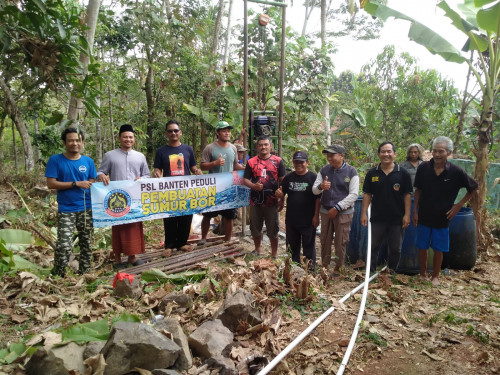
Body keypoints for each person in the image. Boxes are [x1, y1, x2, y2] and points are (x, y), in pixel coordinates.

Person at [413, 136, 478, 285]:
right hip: (424, 214)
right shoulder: (423, 168)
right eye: (434, 151)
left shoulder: (456, 171)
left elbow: (473, 188)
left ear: (448, 152)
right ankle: (423, 273)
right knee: (422, 246)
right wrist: (415, 211)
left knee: (438, 248)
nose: (436, 154)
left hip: (443, 217)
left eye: (440, 151)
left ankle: (435, 276)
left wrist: (458, 205)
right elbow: (418, 190)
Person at [97, 124, 150, 268]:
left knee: (134, 226)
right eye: (125, 137)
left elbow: (147, 175)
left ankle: (132, 257)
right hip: (117, 198)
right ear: (120, 138)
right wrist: (101, 175)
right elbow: (100, 172)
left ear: (134, 139)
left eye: (130, 137)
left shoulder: (140, 156)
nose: (128, 139)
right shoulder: (110, 155)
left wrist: (142, 179)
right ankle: (118, 259)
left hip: (134, 198)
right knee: (118, 227)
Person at [45, 128, 97, 277]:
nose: (75, 143)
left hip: (86, 208)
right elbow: (51, 184)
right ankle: (58, 275)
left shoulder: (88, 161)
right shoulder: (55, 160)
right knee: (63, 245)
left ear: (82, 142)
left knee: (86, 244)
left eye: (77, 140)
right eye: (71, 140)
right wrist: (75, 184)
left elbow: (91, 181)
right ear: (64, 142)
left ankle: (85, 273)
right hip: (66, 209)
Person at [361, 142, 412, 273]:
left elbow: (407, 195)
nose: (386, 154)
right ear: (379, 154)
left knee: (396, 249)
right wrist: (364, 213)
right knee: (373, 246)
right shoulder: (372, 173)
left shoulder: (403, 173)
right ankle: (370, 271)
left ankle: (391, 272)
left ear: (394, 154)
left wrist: (407, 215)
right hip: (377, 217)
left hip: (397, 218)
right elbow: (367, 194)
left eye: (389, 151)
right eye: (383, 152)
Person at [153, 120, 202, 251]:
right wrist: (157, 173)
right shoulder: (161, 151)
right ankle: (169, 245)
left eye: (175, 131)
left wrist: (197, 171)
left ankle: (182, 243)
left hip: (186, 190)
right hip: (169, 191)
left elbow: (193, 167)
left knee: (186, 216)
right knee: (170, 217)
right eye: (170, 131)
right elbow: (157, 168)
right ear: (166, 134)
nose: (173, 133)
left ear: (180, 132)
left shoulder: (188, 149)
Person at [312, 144, 358, 276]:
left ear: (341, 156)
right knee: (325, 239)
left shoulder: (351, 172)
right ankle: (325, 266)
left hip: (343, 213)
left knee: (341, 241)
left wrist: (338, 207)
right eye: (328, 155)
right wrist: (321, 186)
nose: (329, 158)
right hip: (326, 211)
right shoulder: (324, 170)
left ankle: (338, 267)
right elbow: (314, 190)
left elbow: (353, 194)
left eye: (332, 155)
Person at [199, 121, 244, 244]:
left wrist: (245, 169)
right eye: (224, 131)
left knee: (229, 215)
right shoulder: (210, 148)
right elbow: (202, 166)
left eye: (228, 131)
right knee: (208, 214)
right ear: (217, 133)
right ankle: (203, 238)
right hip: (213, 188)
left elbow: (235, 165)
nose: (227, 133)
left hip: (229, 186)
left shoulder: (233, 148)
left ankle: (227, 240)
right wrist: (214, 163)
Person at [275, 151, 320, 268]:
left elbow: (318, 199)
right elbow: (282, 195)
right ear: (293, 163)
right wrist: (279, 197)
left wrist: (316, 216)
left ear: (307, 163)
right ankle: (293, 268)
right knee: (292, 246)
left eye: (302, 162)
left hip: (308, 219)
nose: (299, 164)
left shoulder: (313, 177)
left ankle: (309, 269)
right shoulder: (288, 178)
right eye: (296, 162)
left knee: (308, 246)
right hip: (292, 219)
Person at [243, 135, 286, 257]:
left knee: (273, 228)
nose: (263, 147)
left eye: (266, 144)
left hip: (272, 202)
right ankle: (257, 249)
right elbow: (245, 179)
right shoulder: (251, 162)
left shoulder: (278, 161)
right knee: (255, 227)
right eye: (261, 145)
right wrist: (253, 186)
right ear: (257, 147)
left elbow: (283, 181)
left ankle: (274, 253)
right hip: (255, 201)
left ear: (270, 146)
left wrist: (282, 199)